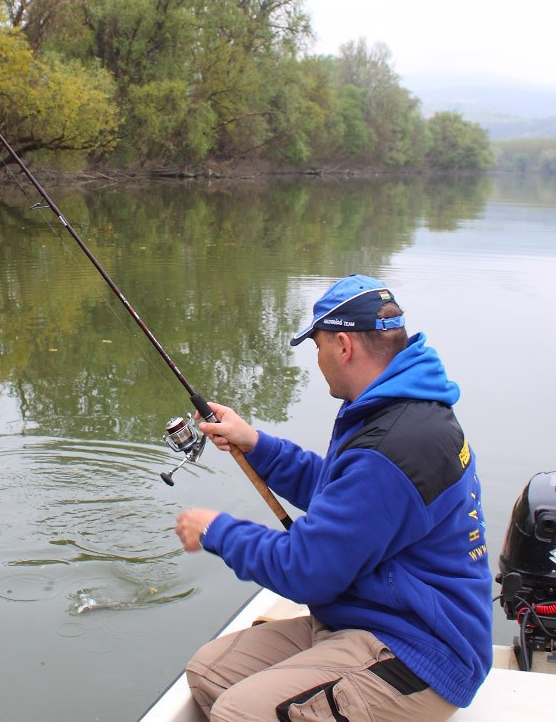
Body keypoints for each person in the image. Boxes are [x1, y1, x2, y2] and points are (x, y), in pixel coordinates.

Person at [174, 274, 491, 721]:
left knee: (238, 712)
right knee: (209, 673)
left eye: (318, 345)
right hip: (367, 618)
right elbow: (342, 493)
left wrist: (216, 530)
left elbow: (307, 569)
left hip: (418, 653)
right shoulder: (395, 406)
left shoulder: (396, 443)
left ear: (343, 346)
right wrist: (256, 443)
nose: (318, 359)